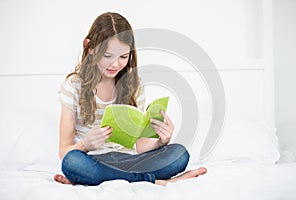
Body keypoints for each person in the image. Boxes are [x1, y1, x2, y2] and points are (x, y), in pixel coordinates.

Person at [53, 12, 207, 186]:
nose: (116, 64)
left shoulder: (133, 85)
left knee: (179, 154)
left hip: (130, 161)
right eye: (107, 55)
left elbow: (139, 146)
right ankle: (157, 182)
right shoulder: (73, 86)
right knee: (72, 162)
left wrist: (160, 141)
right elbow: (64, 151)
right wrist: (85, 144)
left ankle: (100, 178)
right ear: (90, 48)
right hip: (91, 160)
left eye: (123, 57)